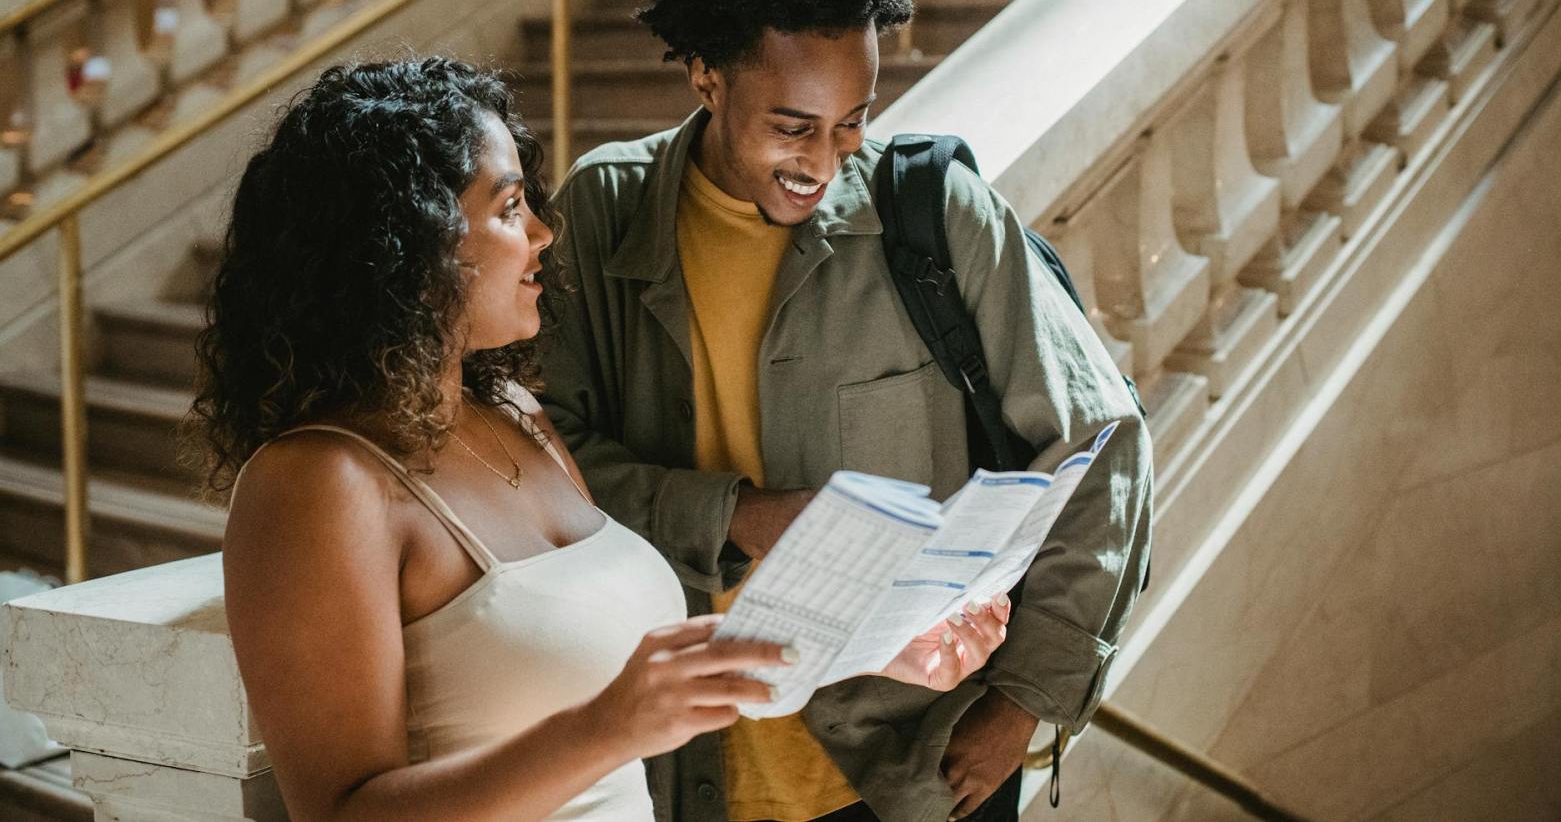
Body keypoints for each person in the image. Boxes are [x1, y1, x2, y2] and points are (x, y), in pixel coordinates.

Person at [197, 57, 1009, 822]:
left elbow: (619, 675)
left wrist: (870, 645)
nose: (546, 235)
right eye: (510, 209)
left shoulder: (515, 411)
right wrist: (605, 729)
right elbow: (340, 813)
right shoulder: (316, 482)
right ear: (406, 244)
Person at [539, 0, 1155, 822]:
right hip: (683, 773)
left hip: (910, 774)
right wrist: (741, 516)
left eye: (852, 121)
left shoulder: (936, 213)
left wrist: (1023, 704)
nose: (824, 162)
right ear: (706, 74)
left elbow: (1104, 441)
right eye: (792, 126)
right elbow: (548, 469)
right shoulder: (603, 212)